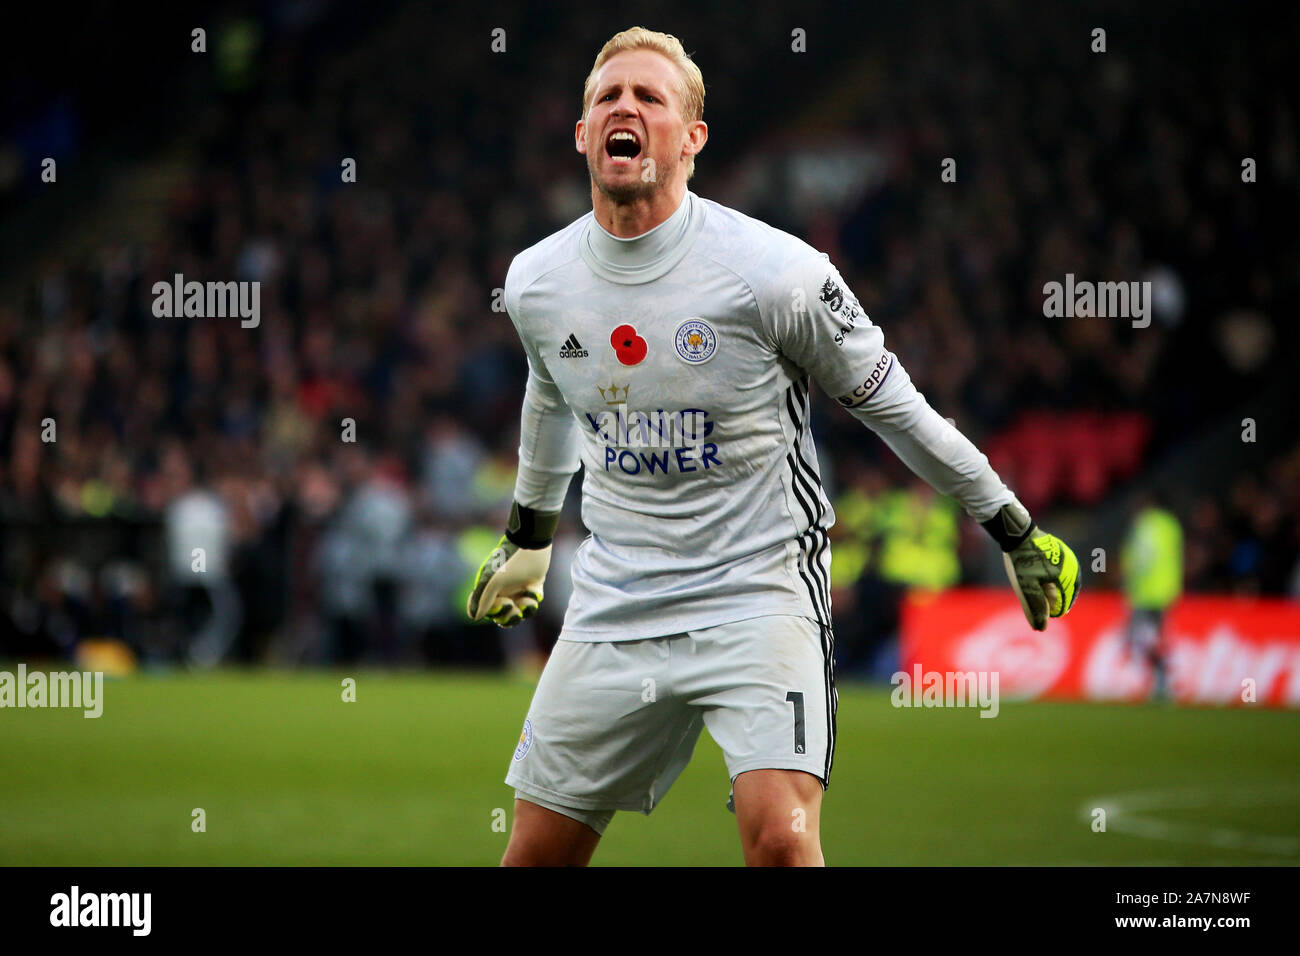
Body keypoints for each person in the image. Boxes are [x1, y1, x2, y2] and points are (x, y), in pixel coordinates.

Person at [467, 26, 1080, 866]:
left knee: (781, 846)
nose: (625, 108)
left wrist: (1009, 524)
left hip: (759, 591)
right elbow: (551, 398)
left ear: (693, 138)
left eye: (650, 97)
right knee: (533, 857)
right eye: (608, 97)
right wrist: (531, 538)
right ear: (581, 134)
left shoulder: (776, 273)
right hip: (618, 600)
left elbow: (896, 408)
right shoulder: (537, 280)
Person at [1121, 494, 1183, 700]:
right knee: (1151, 637)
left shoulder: (1146, 525)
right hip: (1167, 591)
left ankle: (1164, 682)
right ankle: (1161, 683)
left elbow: (1142, 556)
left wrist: (1127, 572)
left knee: (1145, 638)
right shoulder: (1172, 525)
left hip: (1146, 593)